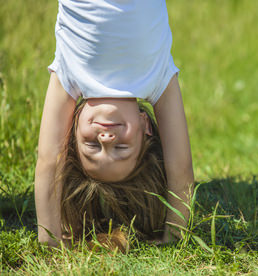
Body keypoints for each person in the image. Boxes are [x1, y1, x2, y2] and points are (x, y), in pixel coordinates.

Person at [34, 0, 194, 248]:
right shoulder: (157, 80)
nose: (106, 140)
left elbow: (48, 160)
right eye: (121, 149)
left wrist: (49, 241)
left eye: (90, 145)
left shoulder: (69, 76)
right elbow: (180, 169)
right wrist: (175, 236)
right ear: (145, 127)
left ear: (72, 130)